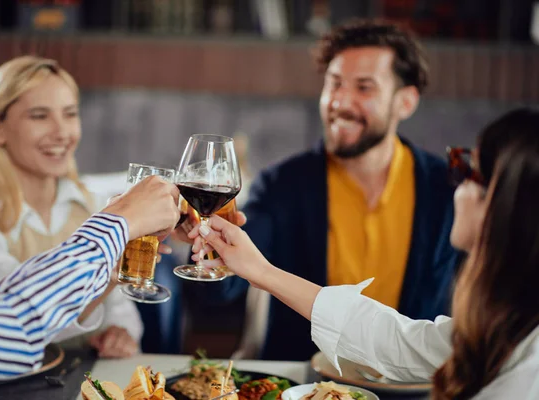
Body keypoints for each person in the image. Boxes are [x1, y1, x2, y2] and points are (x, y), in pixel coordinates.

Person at [189, 108, 539, 399]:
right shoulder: (508, 321)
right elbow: (394, 339)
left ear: (505, 200)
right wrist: (260, 271)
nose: (456, 185)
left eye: (468, 170)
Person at [182, 18, 460, 361]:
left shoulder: (449, 190)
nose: (340, 102)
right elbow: (222, 289)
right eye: (335, 83)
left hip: (410, 391)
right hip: (304, 385)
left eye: (364, 87)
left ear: (405, 102)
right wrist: (210, 250)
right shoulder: (282, 185)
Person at [0, 56, 145, 358]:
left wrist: (119, 331)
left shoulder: (92, 205)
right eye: (39, 116)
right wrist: (107, 265)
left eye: (70, 114)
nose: (62, 132)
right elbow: (29, 317)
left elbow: (121, 310)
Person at [0, 175, 180, 398]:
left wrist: (109, 271)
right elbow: (15, 324)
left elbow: (30, 320)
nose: (62, 132)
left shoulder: (85, 203)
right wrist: (116, 224)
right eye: (38, 123)